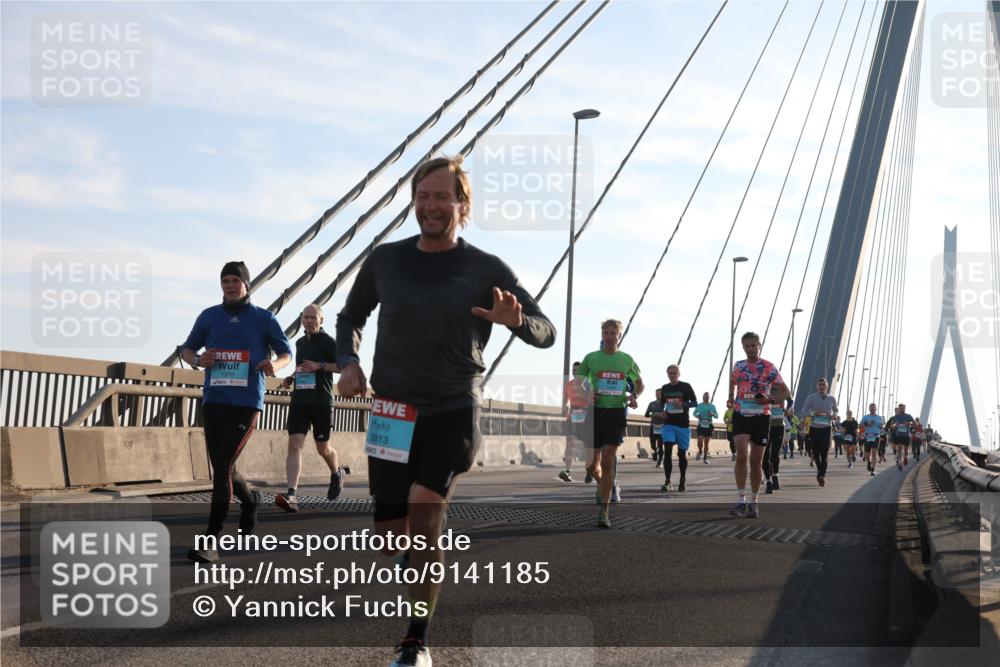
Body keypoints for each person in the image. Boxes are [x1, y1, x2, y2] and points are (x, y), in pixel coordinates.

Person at [335, 156, 556, 667]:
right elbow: (350, 316)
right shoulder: (385, 261)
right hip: (391, 411)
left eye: (443, 197)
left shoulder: (487, 269)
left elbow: (546, 332)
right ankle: (417, 584)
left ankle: (416, 640)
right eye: (424, 197)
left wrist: (516, 320)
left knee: (425, 511)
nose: (432, 206)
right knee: (392, 539)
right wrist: (348, 362)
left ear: (463, 205)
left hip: (453, 408)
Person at [181, 261, 293, 563]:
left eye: (235, 280)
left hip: (246, 404)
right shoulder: (209, 316)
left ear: (246, 284)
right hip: (214, 400)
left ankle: (211, 539)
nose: (230, 285)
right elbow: (187, 349)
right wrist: (198, 359)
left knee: (223, 468)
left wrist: (276, 365)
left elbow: (286, 353)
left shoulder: (263, 319)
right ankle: (251, 500)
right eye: (225, 280)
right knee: (223, 466)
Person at [275, 304, 345, 512]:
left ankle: (336, 472)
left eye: (313, 317)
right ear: (301, 320)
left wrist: (320, 366)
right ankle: (292, 495)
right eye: (306, 317)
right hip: (300, 401)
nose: (309, 321)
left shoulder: (329, 342)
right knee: (294, 445)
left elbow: (342, 366)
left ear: (321, 320)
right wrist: (290, 378)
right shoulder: (299, 342)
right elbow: (302, 368)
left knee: (322, 448)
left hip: (321, 402)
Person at [577, 319, 642, 527]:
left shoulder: (626, 360)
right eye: (606, 333)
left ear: (619, 336)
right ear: (602, 335)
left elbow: (640, 384)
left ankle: (604, 512)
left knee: (607, 460)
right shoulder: (591, 358)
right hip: (594, 412)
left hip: (615, 413)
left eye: (614, 333)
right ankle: (601, 484)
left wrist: (634, 396)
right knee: (590, 466)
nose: (610, 336)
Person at [728, 332, 788, 518]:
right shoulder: (738, 366)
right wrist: (731, 397)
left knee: (756, 463)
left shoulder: (769, 367)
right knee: (740, 456)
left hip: (761, 417)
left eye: (753, 345)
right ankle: (740, 501)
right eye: (746, 346)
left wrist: (769, 399)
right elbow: (732, 383)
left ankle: (754, 502)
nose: (750, 349)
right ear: (743, 347)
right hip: (741, 415)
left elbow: (785, 392)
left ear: (759, 345)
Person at [659, 364, 697, 492]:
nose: (672, 375)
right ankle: (668, 481)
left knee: (681, 454)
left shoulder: (686, 386)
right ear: (667, 375)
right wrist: (662, 413)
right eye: (670, 373)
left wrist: (682, 404)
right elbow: (661, 405)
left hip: (683, 424)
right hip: (669, 424)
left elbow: (695, 403)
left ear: (679, 374)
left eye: (675, 373)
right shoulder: (664, 388)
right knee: (667, 450)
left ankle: (682, 480)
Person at [798, 378, 838, 487]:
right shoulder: (811, 398)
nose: (821, 386)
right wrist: (813, 413)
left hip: (826, 428)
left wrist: (834, 415)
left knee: (824, 452)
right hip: (814, 428)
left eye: (823, 385)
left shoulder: (832, 399)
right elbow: (804, 411)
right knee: (815, 451)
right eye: (819, 385)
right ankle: (820, 471)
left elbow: (836, 410)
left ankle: (821, 475)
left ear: (827, 386)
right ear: (817, 387)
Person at [560, 361, 591, 483]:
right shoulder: (569, 385)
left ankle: (589, 471)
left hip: (586, 415)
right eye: (573, 371)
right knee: (569, 443)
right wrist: (565, 407)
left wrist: (583, 389)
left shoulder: (588, 384)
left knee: (587, 446)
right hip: (573, 415)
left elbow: (591, 399)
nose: (575, 373)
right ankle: (567, 471)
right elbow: (565, 400)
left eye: (577, 371)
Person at [763, 396, 788, 493]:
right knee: (765, 455)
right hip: (764, 427)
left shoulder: (781, 391)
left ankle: (775, 476)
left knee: (774, 453)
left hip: (778, 427)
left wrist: (788, 408)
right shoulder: (762, 390)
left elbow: (790, 399)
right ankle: (768, 482)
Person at [886, 403, 916, 470]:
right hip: (898, 435)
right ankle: (899, 462)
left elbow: (914, 424)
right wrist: (894, 426)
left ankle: (905, 458)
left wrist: (909, 423)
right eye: (900, 408)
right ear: (898, 409)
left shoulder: (908, 416)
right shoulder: (896, 417)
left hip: (906, 435)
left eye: (902, 408)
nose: (901, 409)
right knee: (899, 448)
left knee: (905, 450)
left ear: (905, 408)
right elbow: (892, 426)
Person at [859, 403, 885, 476]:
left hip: (876, 436)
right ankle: (869, 463)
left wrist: (881, 426)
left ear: (876, 409)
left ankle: (873, 470)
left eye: (874, 408)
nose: (872, 409)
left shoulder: (879, 418)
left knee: (874, 452)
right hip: (867, 436)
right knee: (867, 454)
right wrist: (867, 424)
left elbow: (882, 427)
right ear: (869, 409)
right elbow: (860, 425)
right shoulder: (865, 417)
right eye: (871, 408)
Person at [693, 392, 718, 464]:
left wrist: (712, 414)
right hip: (701, 424)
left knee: (706, 443)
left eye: (707, 396)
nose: (705, 397)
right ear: (702, 397)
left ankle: (705, 458)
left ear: (709, 398)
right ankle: (700, 451)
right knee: (700, 442)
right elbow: (694, 413)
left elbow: (717, 416)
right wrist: (697, 416)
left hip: (709, 425)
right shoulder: (699, 405)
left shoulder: (712, 406)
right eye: (704, 396)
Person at [645, 389, 665, 467]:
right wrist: (653, 415)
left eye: (659, 394)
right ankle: (655, 451)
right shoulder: (652, 404)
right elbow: (646, 414)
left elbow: (669, 414)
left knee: (660, 445)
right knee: (652, 444)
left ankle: (660, 462)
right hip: (653, 426)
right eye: (656, 394)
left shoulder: (665, 404)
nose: (657, 395)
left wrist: (661, 415)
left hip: (662, 426)